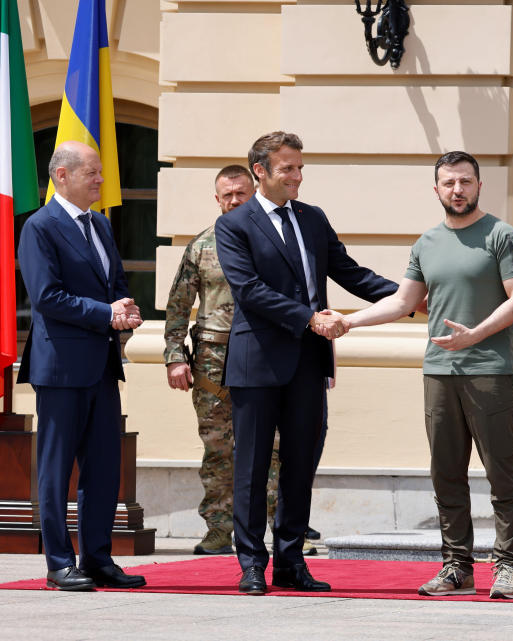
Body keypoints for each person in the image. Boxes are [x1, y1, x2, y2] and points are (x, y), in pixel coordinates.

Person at [320, 150, 513, 600]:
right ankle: (457, 568)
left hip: (489, 373)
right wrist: (349, 321)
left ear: (479, 186)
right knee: (445, 474)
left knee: (501, 474)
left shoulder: (502, 236)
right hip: (439, 372)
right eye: (449, 183)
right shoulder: (427, 243)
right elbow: (402, 302)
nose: (457, 190)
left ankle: (508, 567)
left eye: (465, 182)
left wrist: (475, 334)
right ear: (436, 189)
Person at [215, 131, 398, 595]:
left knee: (301, 466)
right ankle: (252, 564)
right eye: (287, 169)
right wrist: (310, 318)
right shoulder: (234, 224)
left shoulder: (312, 219)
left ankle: (291, 562)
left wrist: (412, 296)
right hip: (257, 363)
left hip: (308, 364)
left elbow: (350, 272)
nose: (297, 176)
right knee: (252, 470)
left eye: (300, 168)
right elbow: (249, 291)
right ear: (260, 171)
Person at [17, 141, 147, 591]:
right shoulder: (40, 226)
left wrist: (125, 308)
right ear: (62, 176)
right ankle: (58, 562)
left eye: (100, 172)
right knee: (56, 469)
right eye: (92, 172)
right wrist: (105, 314)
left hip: (102, 365)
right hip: (61, 368)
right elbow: (47, 297)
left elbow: (114, 281)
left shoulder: (101, 226)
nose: (101, 180)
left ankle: (97, 558)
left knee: (104, 467)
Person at [164, 165, 289, 556]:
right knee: (218, 449)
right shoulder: (201, 246)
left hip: (267, 357)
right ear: (217, 199)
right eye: (227, 195)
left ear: (253, 191)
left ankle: (275, 527)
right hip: (212, 364)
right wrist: (174, 358)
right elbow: (177, 307)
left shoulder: (274, 241)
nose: (234, 200)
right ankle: (219, 529)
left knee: (272, 446)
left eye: (241, 193)